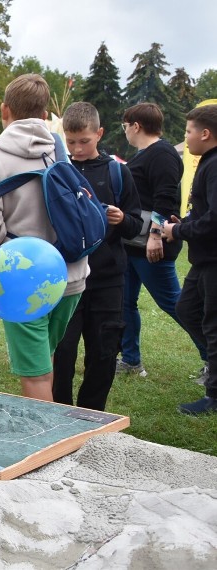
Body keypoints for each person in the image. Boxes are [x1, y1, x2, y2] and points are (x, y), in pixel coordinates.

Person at [0, 74, 88, 402]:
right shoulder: (60, 149)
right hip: (72, 274)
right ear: (44, 112)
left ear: (4, 109)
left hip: (24, 281)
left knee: (36, 377)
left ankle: (46, 448)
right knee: (45, 359)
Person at [52, 102, 143, 411]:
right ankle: (61, 413)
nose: (77, 148)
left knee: (103, 353)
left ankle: (91, 415)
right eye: (71, 141)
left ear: (99, 134)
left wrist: (122, 219)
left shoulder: (118, 172)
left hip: (108, 279)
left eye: (84, 141)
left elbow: (136, 224)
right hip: (66, 278)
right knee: (61, 351)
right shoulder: (58, 172)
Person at [119, 103, 208, 379]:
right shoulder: (145, 154)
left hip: (151, 246)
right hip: (131, 243)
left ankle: (212, 360)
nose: (125, 132)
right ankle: (131, 361)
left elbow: (165, 198)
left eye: (125, 127)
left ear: (136, 126)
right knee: (124, 303)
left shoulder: (162, 154)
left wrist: (155, 236)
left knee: (176, 304)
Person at [162, 104, 217, 414]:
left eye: (188, 131)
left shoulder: (215, 164)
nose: (186, 137)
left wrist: (179, 231)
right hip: (203, 260)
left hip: (213, 260)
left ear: (205, 133)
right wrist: (181, 223)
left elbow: (214, 219)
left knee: (212, 324)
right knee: (186, 308)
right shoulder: (208, 162)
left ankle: (214, 396)